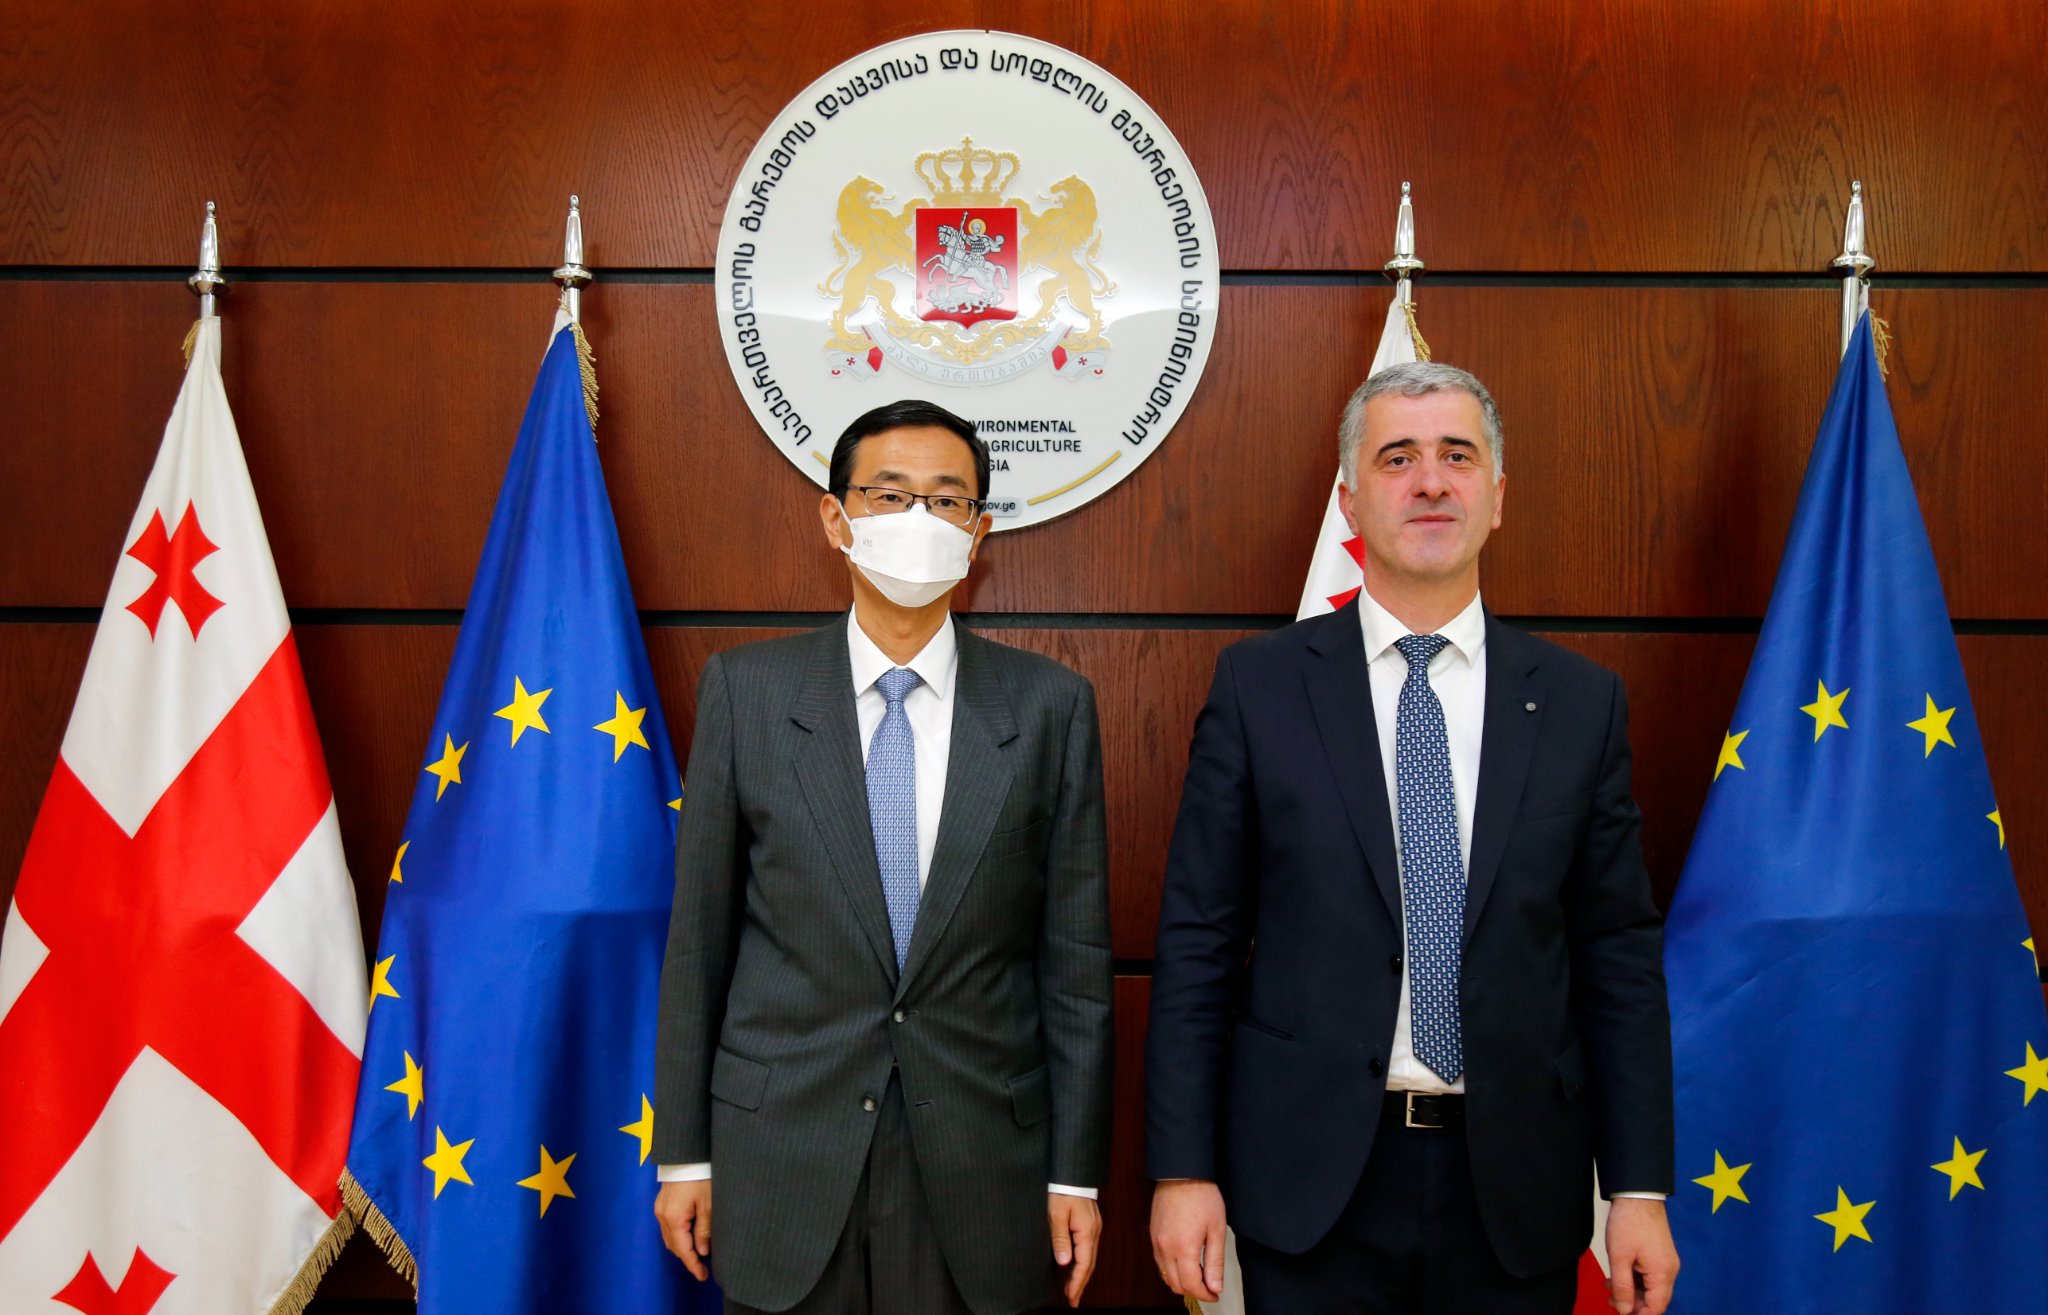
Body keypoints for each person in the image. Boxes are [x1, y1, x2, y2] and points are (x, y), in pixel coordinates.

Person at [1145, 363, 1679, 1314]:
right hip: (1309, 1182)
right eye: (1398, 458)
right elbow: (1199, 943)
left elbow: (1617, 953)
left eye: (1457, 456)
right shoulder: (1260, 688)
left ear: (1497, 496)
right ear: (1351, 500)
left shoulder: (1579, 701)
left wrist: (1638, 1187)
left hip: (1516, 1183)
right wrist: (1183, 1169)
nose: (1431, 481)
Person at [652, 398, 1114, 1315]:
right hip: (782, 1153)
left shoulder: (1050, 706)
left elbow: (1076, 969)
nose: (918, 519)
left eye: (947, 501)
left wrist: (1075, 1175)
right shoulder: (747, 692)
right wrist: (684, 1156)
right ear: (836, 519)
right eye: (890, 494)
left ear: (978, 533)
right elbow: (699, 941)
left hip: (981, 1163)